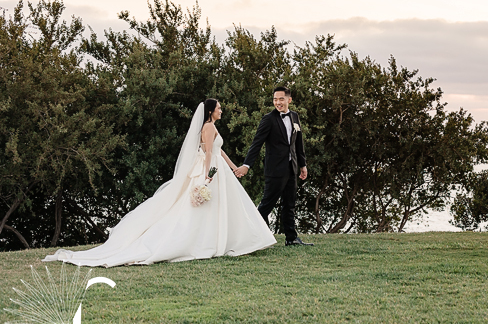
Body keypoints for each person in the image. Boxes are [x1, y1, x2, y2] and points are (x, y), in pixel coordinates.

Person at [44, 100, 276, 267]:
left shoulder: (211, 127)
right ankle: (204, 242)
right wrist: (208, 177)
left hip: (218, 168)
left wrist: (234, 166)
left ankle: (222, 241)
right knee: (201, 210)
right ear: (211, 111)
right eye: (219, 108)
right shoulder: (208, 127)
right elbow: (207, 153)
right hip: (210, 170)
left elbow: (218, 150)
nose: (221, 111)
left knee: (218, 208)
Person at [234, 86, 311, 246]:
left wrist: (302, 165)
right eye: (275, 99)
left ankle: (291, 238)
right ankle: (252, 238)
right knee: (266, 205)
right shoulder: (268, 119)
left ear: (289, 100)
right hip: (275, 170)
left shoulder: (295, 117)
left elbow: (298, 143)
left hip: (292, 168)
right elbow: (257, 143)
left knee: (289, 204)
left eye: (281, 99)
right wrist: (246, 165)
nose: (278, 102)